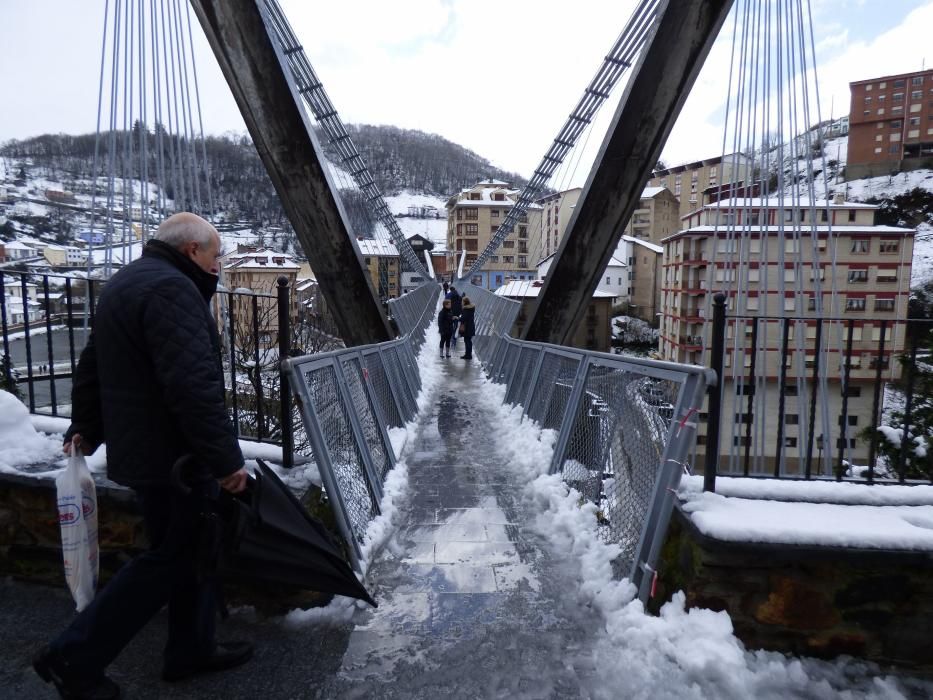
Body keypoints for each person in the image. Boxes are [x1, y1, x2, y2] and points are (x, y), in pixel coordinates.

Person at [33, 213, 252, 699]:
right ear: (192, 250)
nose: (220, 267)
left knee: (191, 550)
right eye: (216, 257)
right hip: (175, 457)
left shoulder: (125, 282)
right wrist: (225, 460)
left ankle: (191, 649)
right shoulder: (173, 291)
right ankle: (74, 655)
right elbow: (192, 387)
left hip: (144, 452)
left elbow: (95, 361)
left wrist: (84, 425)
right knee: (171, 558)